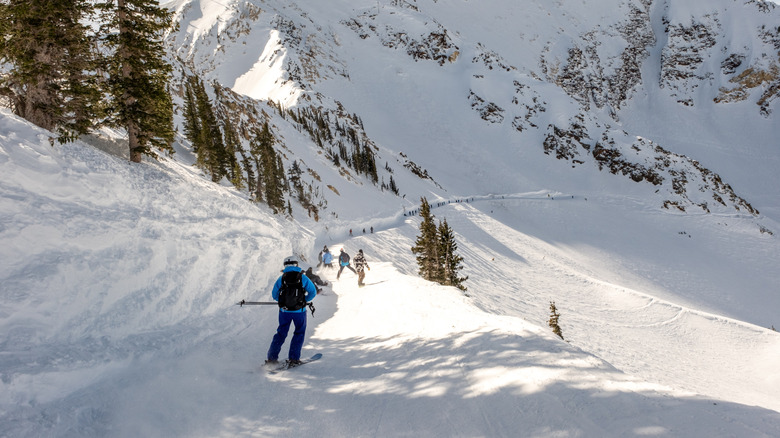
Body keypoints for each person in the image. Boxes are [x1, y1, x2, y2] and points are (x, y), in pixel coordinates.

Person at [265, 256, 317, 367]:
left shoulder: (281, 278)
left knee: (281, 333)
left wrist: (283, 303)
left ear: (285, 266)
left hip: (284, 312)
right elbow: (313, 292)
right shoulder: (303, 278)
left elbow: (274, 295)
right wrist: (303, 301)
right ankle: (294, 358)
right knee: (299, 332)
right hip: (300, 311)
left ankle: (271, 359)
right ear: (296, 265)